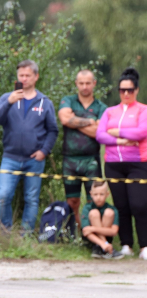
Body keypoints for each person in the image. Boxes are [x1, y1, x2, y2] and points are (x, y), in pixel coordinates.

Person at [0, 60, 58, 232]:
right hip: (10, 157)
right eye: (21, 75)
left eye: (28, 75)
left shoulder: (45, 102)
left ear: (36, 77)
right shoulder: (7, 98)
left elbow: (53, 130)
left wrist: (44, 151)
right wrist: (9, 102)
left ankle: (26, 234)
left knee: (31, 199)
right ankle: (5, 230)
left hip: (34, 159)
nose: (24, 79)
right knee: (3, 196)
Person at [96, 68, 147, 260]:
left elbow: (141, 132)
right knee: (121, 205)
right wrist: (120, 140)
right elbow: (100, 135)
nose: (126, 94)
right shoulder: (109, 111)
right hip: (113, 163)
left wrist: (116, 132)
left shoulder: (143, 110)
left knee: (139, 204)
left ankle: (144, 245)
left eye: (130, 90)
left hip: (138, 163)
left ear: (136, 90)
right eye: (122, 90)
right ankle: (127, 244)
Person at [58, 70, 107, 226]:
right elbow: (64, 119)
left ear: (94, 83)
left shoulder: (101, 107)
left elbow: (98, 132)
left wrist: (75, 121)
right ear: (76, 84)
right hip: (69, 159)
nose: (84, 87)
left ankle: (94, 233)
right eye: (81, 83)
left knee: (95, 199)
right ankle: (76, 231)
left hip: (91, 160)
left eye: (88, 83)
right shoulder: (68, 101)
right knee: (72, 200)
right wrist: (90, 122)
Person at [80, 181, 123, 260]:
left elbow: (114, 231)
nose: (98, 197)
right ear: (91, 194)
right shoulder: (87, 208)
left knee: (109, 213)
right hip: (92, 239)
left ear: (107, 194)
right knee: (94, 213)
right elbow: (85, 231)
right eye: (95, 194)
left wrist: (93, 228)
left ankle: (102, 248)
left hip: (106, 237)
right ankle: (102, 247)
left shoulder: (113, 209)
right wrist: (103, 243)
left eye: (101, 194)